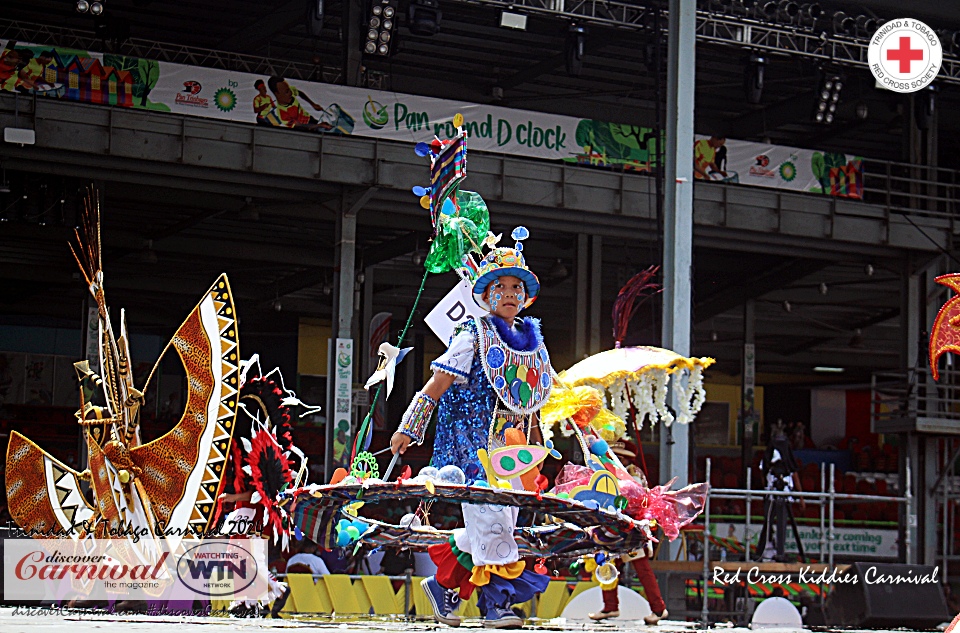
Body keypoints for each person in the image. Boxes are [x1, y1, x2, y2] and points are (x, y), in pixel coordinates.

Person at [391, 241, 553, 629]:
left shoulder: (532, 342)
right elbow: (439, 382)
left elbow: (532, 398)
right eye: (502, 287)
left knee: (500, 521)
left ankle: (443, 585)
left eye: (517, 288)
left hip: (511, 447)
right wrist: (408, 427)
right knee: (493, 520)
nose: (510, 295)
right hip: (471, 444)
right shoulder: (474, 334)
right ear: (486, 294)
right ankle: (496, 606)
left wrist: (538, 444)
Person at [587, 461, 668, 625]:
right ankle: (610, 606)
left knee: (642, 569)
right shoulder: (606, 475)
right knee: (607, 564)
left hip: (631, 530)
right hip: (613, 528)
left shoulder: (632, 476)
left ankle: (659, 609)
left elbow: (639, 504)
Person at [756, 419, 805, 562]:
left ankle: (780, 552)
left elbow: (795, 476)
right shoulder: (768, 461)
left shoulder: (788, 462)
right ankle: (761, 551)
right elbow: (763, 473)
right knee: (768, 523)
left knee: (782, 524)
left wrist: (800, 497)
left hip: (784, 493)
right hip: (771, 494)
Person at [266, 76, 331, 131]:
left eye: (289, 90)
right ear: (277, 94)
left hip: (310, 120)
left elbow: (299, 93)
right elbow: (300, 126)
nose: (290, 93)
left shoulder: (290, 92)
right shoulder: (282, 114)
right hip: (306, 130)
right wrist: (318, 125)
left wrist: (312, 104)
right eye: (286, 92)